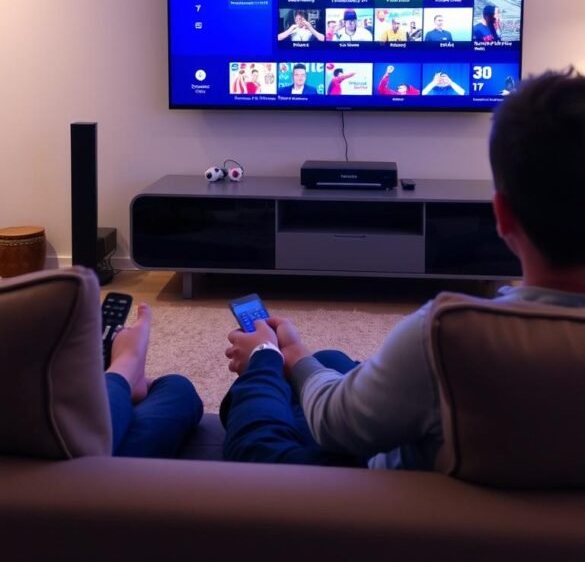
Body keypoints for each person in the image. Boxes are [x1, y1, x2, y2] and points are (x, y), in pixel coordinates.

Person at [219, 67, 585, 470]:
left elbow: (331, 424)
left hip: (376, 501)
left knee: (257, 409)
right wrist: (302, 356)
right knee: (334, 360)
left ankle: (262, 363)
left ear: (501, 215)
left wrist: (273, 356)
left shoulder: (444, 335)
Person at [106, 303, 203, 457]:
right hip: (98, 470)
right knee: (177, 387)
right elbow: (89, 444)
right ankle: (126, 368)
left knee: (175, 385)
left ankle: (123, 381)